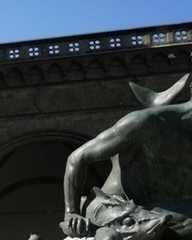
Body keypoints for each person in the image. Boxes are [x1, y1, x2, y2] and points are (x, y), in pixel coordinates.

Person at [62, 74, 192, 239]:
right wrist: (71, 213)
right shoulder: (145, 122)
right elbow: (76, 158)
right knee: (114, 237)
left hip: (161, 209)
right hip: (114, 204)